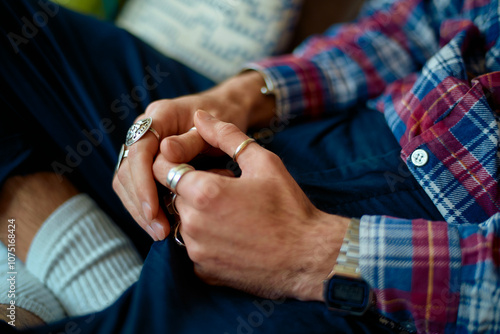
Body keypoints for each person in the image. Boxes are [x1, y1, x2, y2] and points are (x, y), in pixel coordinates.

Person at [0, 0, 499, 333]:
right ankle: (113, 286)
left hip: (420, 249)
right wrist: (237, 98)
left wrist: (314, 252)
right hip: (352, 122)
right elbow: (413, 23)